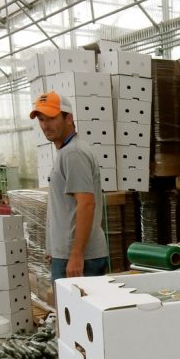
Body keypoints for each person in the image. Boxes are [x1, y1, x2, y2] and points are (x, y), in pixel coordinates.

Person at [30, 91, 110, 281]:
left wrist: (75, 255)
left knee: (76, 311)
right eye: (41, 119)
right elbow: (65, 207)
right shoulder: (66, 152)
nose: (45, 125)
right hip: (67, 255)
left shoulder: (73, 153)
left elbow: (86, 204)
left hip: (80, 259)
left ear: (68, 118)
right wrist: (54, 246)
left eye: (50, 118)